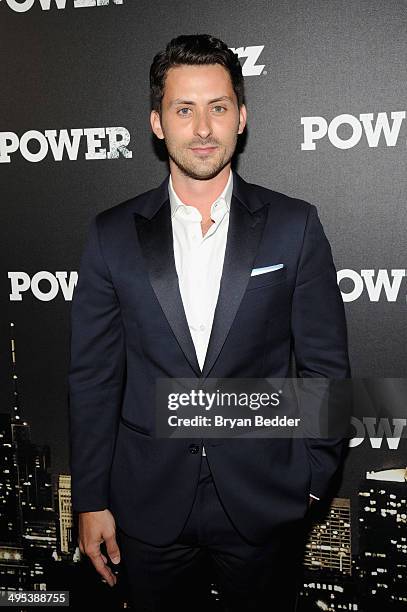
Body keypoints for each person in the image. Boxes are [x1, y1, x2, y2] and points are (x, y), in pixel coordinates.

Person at [68, 33, 351, 611]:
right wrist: (91, 499)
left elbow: (325, 367)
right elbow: (94, 379)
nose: (202, 127)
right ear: (157, 122)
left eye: (218, 107)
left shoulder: (294, 226)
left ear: (241, 117)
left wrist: (312, 481)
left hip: (263, 498)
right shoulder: (111, 235)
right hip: (146, 505)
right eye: (184, 109)